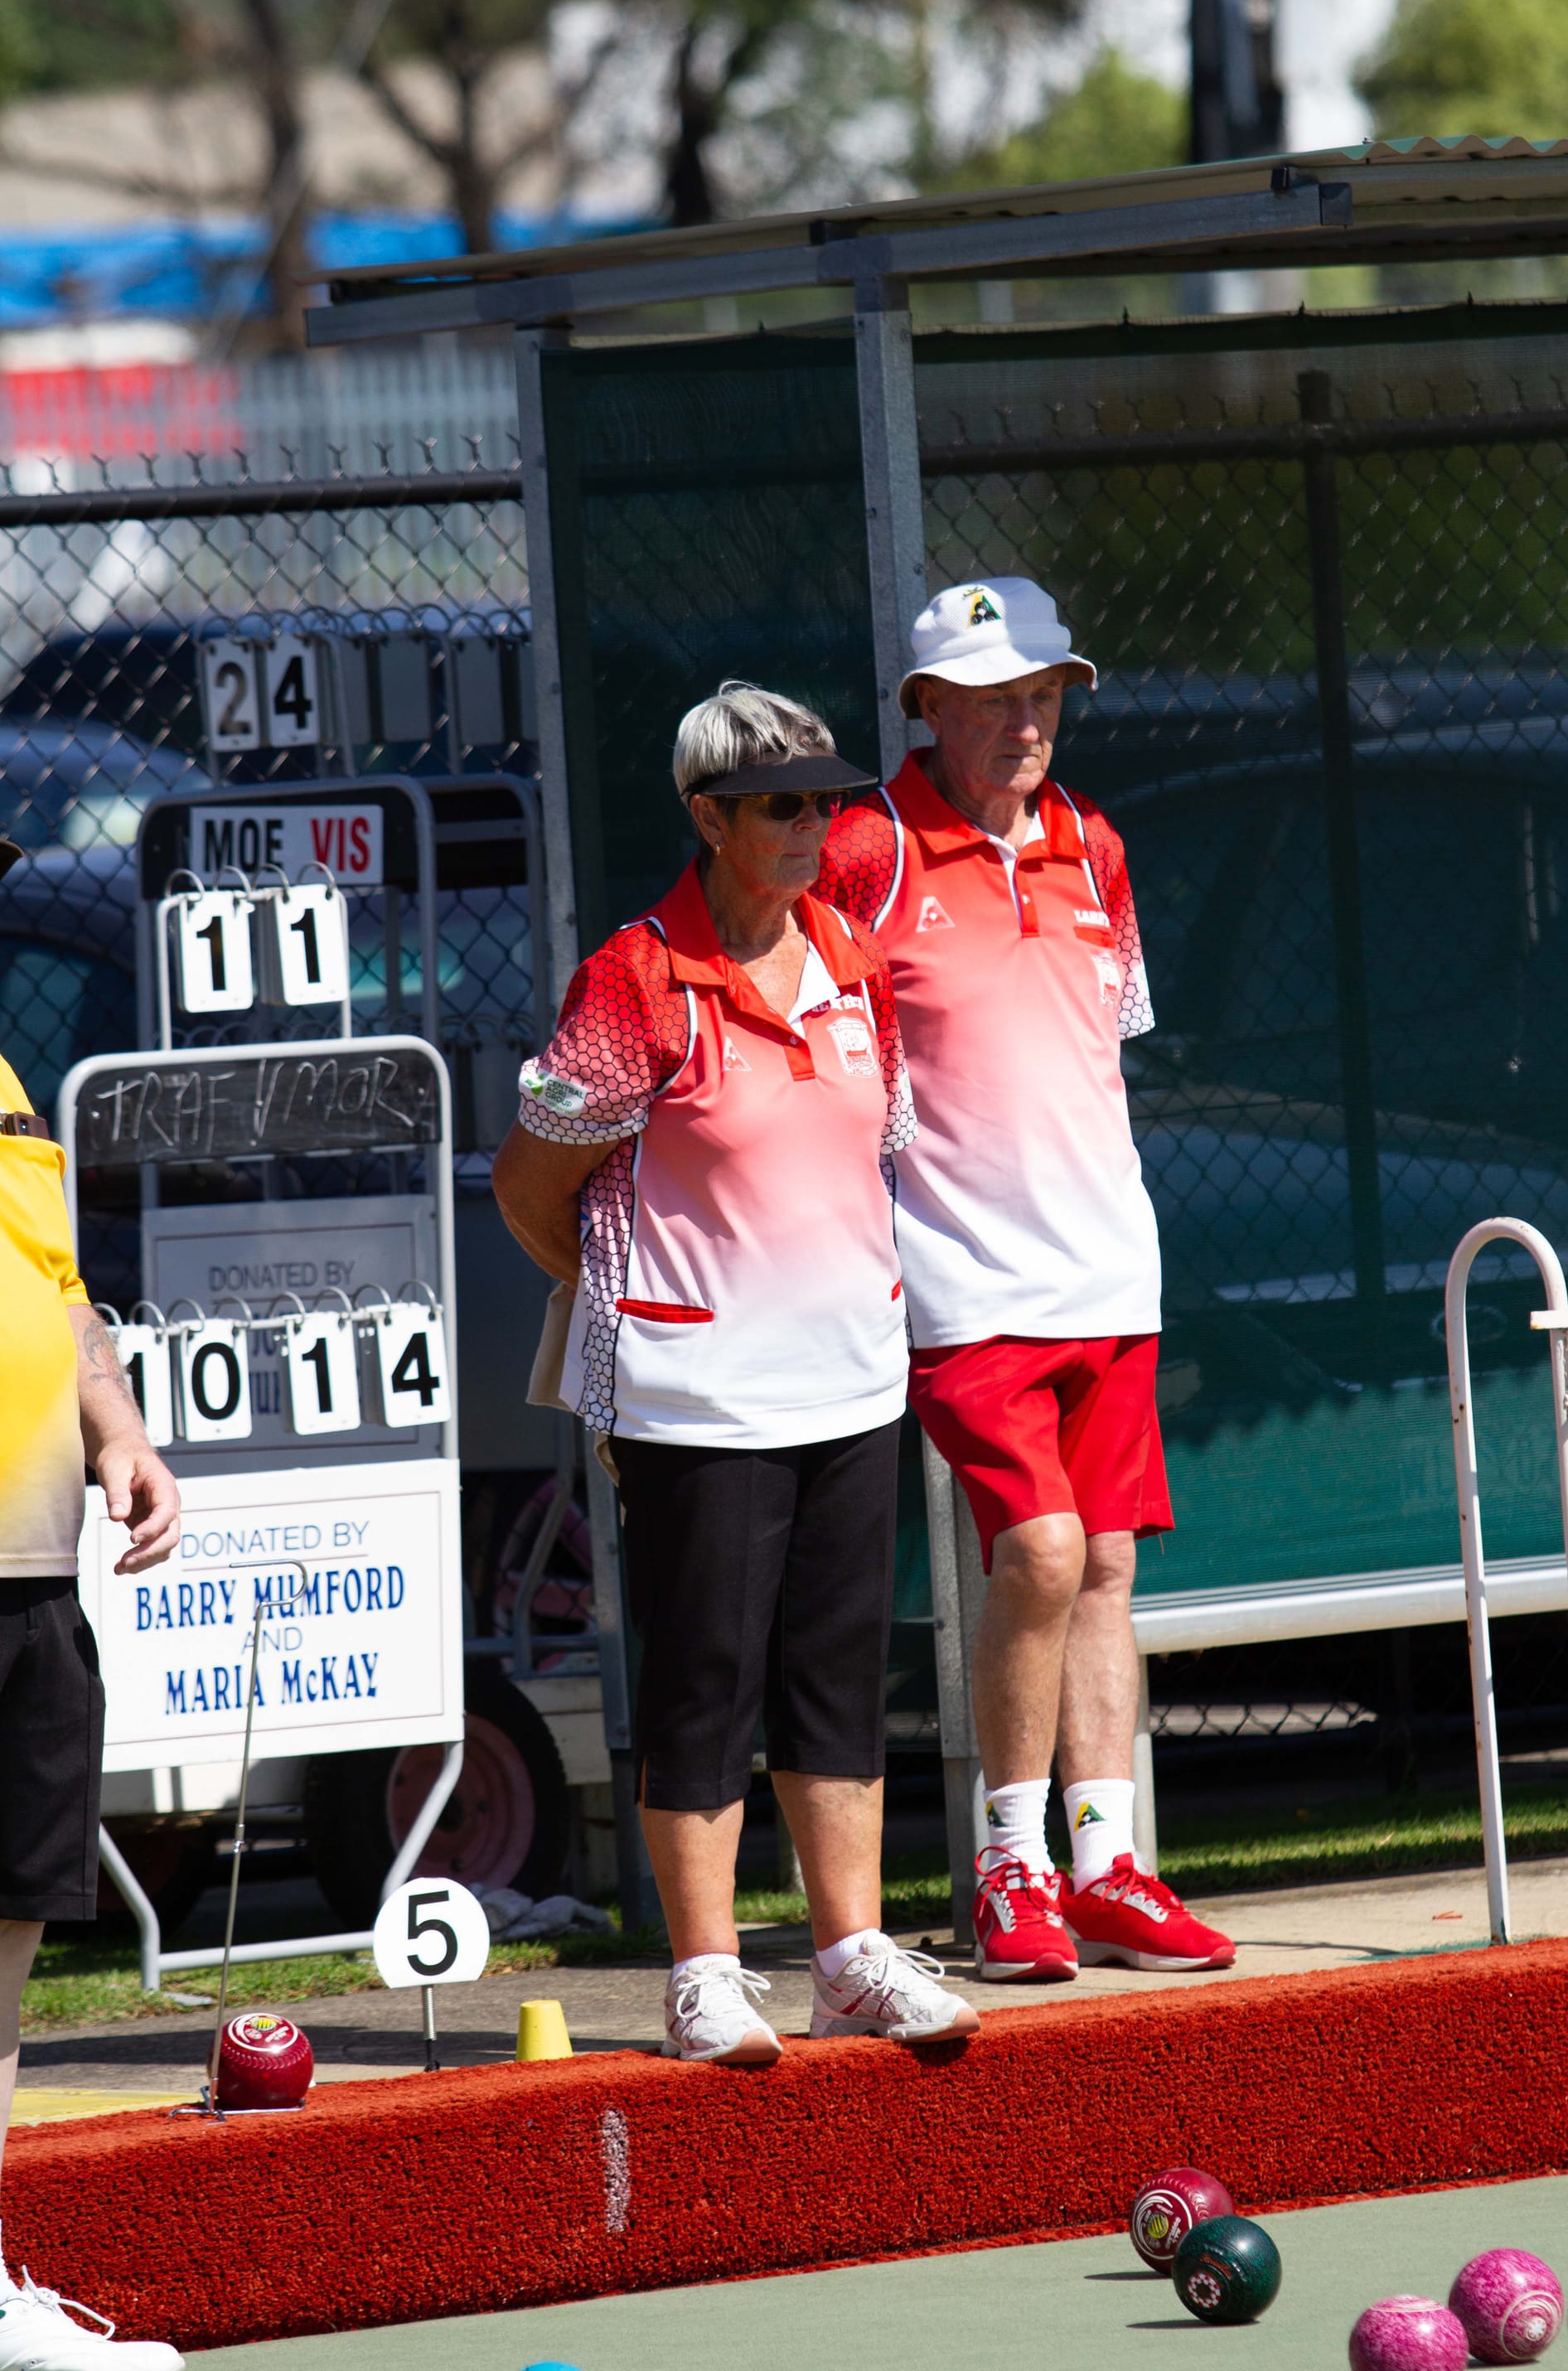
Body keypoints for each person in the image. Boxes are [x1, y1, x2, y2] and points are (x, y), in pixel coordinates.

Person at [493, 684, 979, 2064]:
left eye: (824, 799)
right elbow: (532, 1186)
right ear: (708, 817)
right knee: (706, 1677)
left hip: (851, 1379)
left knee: (837, 1676)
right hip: (695, 1401)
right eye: (781, 803)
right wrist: (630, 1300)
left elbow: (868, 1136)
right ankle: (704, 1974)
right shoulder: (631, 979)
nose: (813, 824)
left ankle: (849, 1956)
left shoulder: (851, 953)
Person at [817, 580, 1235, 1981]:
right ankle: (1010, 1870)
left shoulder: (1092, 844)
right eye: (994, 697)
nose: (1027, 720)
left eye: (1045, 691)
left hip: (1109, 1272)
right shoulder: (863, 849)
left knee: (1106, 1564)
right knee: (1042, 1553)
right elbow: (827, 1049)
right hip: (959, 1284)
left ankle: (1108, 1868)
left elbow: (1105, 1039)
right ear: (926, 709)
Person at [0, 849, 186, 2371]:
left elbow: (57, 1294)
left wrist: (120, 1429)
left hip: (28, 1565)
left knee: (5, 1928)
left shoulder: (4, 1078)